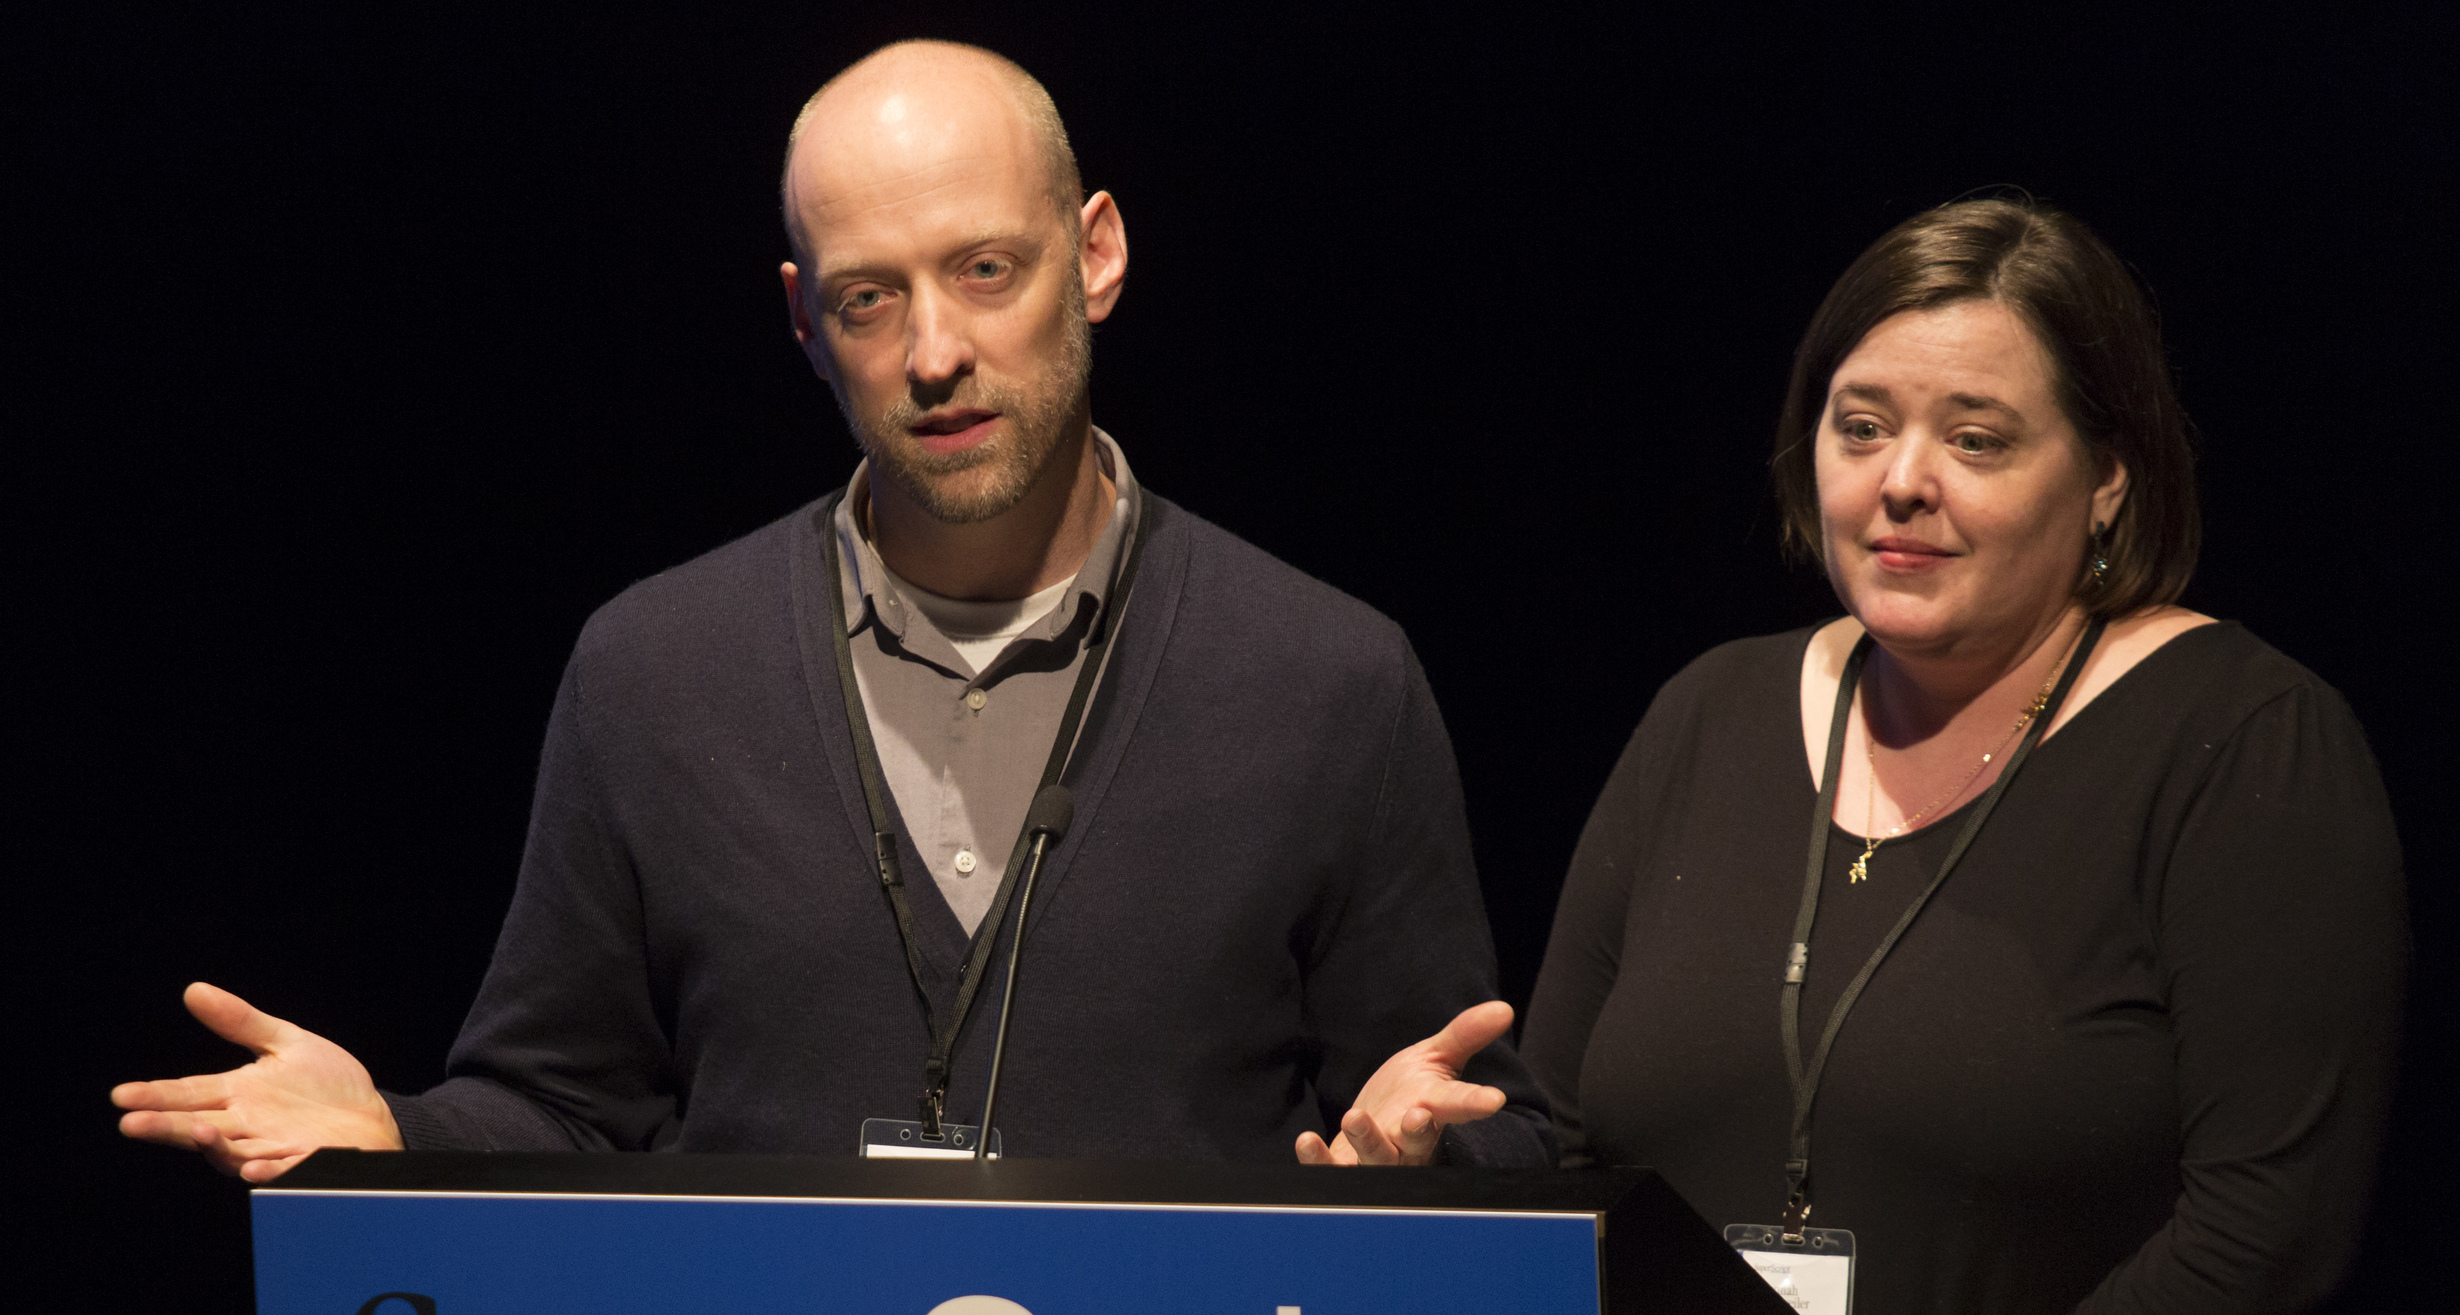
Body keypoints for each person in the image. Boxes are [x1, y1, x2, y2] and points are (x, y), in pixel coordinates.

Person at [111, 42, 1544, 1176]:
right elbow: (562, 1106)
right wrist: (396, 1142)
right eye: (869, 299)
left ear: (1095, 255)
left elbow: (1457, 1110)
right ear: (803, 320)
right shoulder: (657, 675)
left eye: (987, 270)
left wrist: (1419, 1165)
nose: (935, 353)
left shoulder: (1326, 681)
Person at [1523, 198, 2404, 1315]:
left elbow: (2273, 1234)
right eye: (1863, 427)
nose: (1903, 481)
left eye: (1976, 436)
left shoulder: (2244, 747)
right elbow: (1574, 1139)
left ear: (2110, 480)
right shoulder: (1707, 720)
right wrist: (1421, 1160)